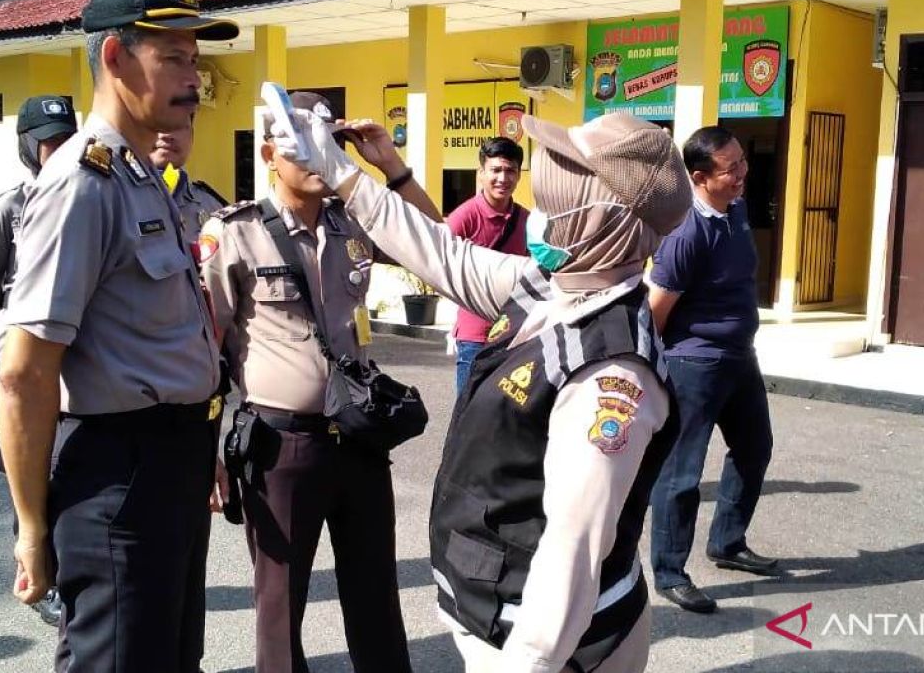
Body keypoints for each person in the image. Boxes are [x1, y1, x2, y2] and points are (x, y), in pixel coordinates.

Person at [272, 108, 692, 672]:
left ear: (601, 220)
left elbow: (573, 552)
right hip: (497, 613)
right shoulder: (553, 288)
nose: (542, 211)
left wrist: (528, 665)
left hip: (546, 646)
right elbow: (442, 254)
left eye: (558, 195)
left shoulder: (611, 374)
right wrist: (341, 169)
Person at [0, 0, 237, 672]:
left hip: (172, 465)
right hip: (118, 477)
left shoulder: (142, 177)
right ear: (114, 56)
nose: (194, 78)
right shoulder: (82, 184)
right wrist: (33, 529)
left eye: (195, 59)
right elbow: (23, 373)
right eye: (174, 58)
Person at [200, 92, 420, 672]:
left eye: (327, 144)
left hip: (361, 438)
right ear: (271, 153)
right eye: (302, 146)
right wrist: (209, 448)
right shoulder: (234, 233)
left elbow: (432, 240)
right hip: (282, 447)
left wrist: (390, 167)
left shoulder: (355, 221)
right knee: (279, 604)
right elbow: (205, 348)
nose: (318, 159)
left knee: (375, 593)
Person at [647, 125, 777, 614]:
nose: (743, 174)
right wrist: (655, 370)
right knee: (682, 472)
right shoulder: (686, 235)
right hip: (694, 364)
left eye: (743, 162)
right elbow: (657, 311)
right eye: (732, 168)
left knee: (754, 448)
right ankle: (669, 572)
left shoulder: (737, 210)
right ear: (700, 178)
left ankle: (727, 543)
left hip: (740, 357)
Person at [0, 94, 75, 627]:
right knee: (25, 471)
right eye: (48, 142)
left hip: (67, 366)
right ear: (29, 148)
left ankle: (69, 569)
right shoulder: (6, 209)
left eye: (65, 140)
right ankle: (39, 576)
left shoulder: (82, 199)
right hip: (15, 363)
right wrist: (9, 353)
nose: (58, 151)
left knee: (66, 468)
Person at [446, 137, 529, 392]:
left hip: (514, 336)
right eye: (495, 170)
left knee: (504, 415)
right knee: (467, 415)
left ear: (518, 175)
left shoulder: (528, 221)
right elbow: (441, 263)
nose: (503, 178)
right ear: (481, 173)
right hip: (475, 337)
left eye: (510, 170)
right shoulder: (464, 217)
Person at [150, 122, 228, 240]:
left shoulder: (212, 206)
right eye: (157, 123)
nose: (166, 135)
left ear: (192, 137)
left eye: (178, 125)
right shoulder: (117, 201)